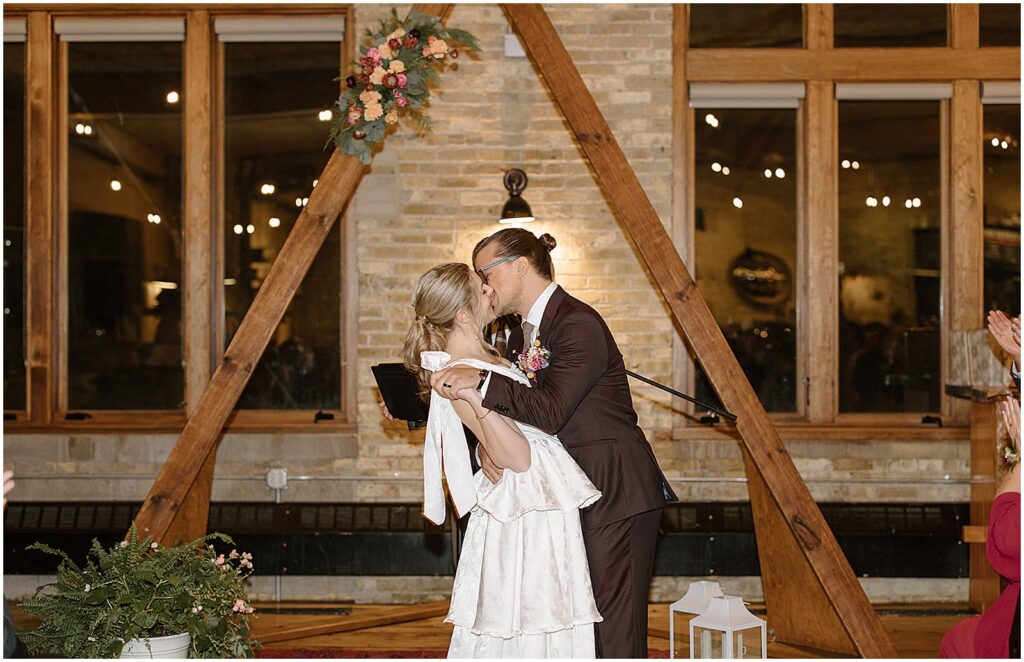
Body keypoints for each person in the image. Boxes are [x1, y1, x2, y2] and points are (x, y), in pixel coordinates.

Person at [430, 229, 677, 658]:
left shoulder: (577, 323)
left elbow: (549, 412)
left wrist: (481, 381)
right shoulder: (522, 335)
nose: (483, 285)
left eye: (485, 273)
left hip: (613, 489)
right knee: (580, 626)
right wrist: (483, 447)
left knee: (614, 631)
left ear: (520, 265)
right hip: (569, 494)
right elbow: (520, 421)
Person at [404, 263, 602, 657]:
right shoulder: (456, 373)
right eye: (482, 289)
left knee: (548, 612)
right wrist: (477, 399)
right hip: (523, 509)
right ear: (463, 313)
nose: (490, 292)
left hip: (539, 500)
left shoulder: (492, 353)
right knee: (532, 614)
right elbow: (517, 457)